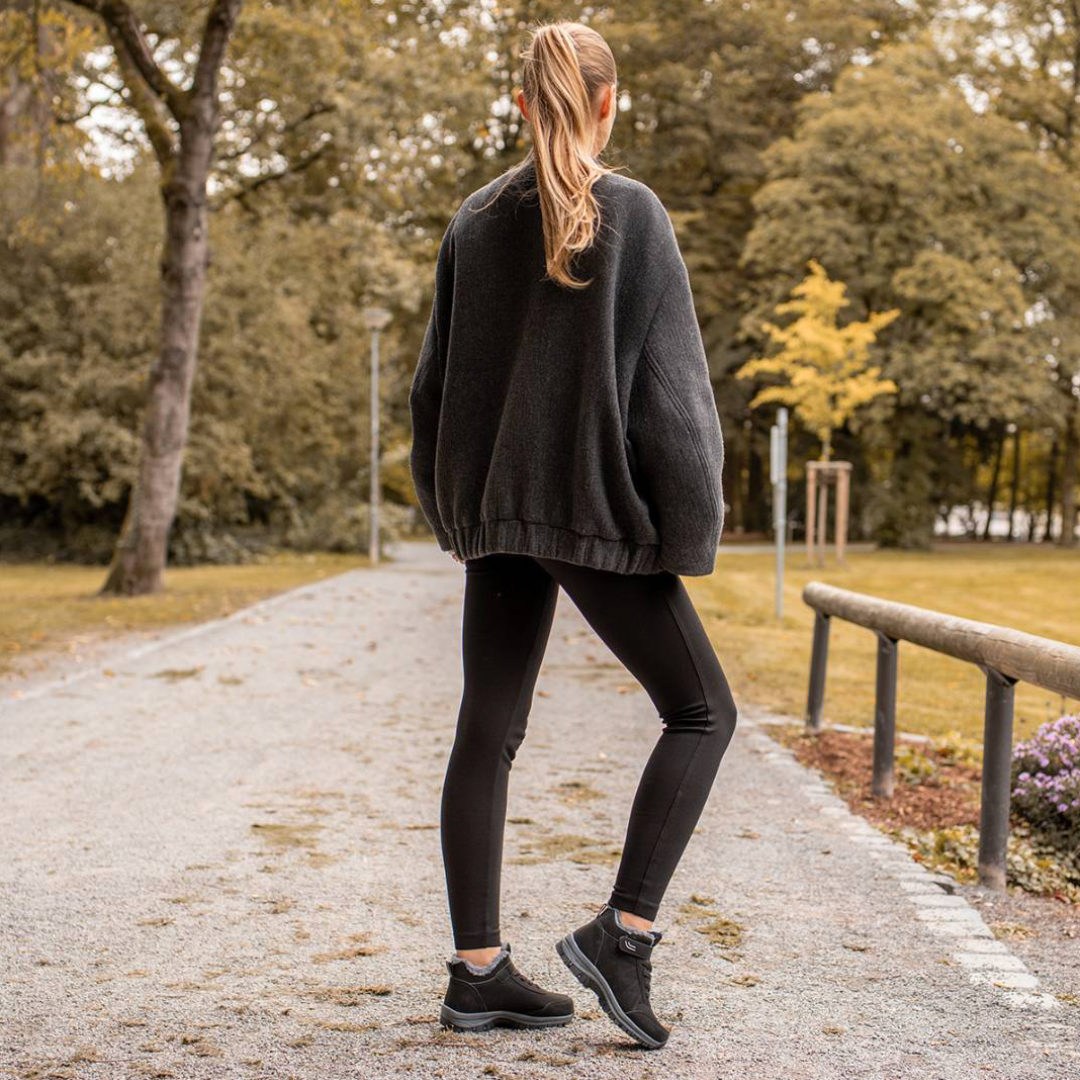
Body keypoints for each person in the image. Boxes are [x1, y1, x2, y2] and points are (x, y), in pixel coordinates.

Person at [408, 19, 738, 1051]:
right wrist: (686, 531)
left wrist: (457, 510)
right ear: (607, 102)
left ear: (521, 105)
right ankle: (622, 937)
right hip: (588, 506)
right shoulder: (630, 213)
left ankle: (477, 974)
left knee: (486, 729)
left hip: (501, 511)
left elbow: (429, 390)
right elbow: (675, 402)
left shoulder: (472, 223)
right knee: (703, 712)